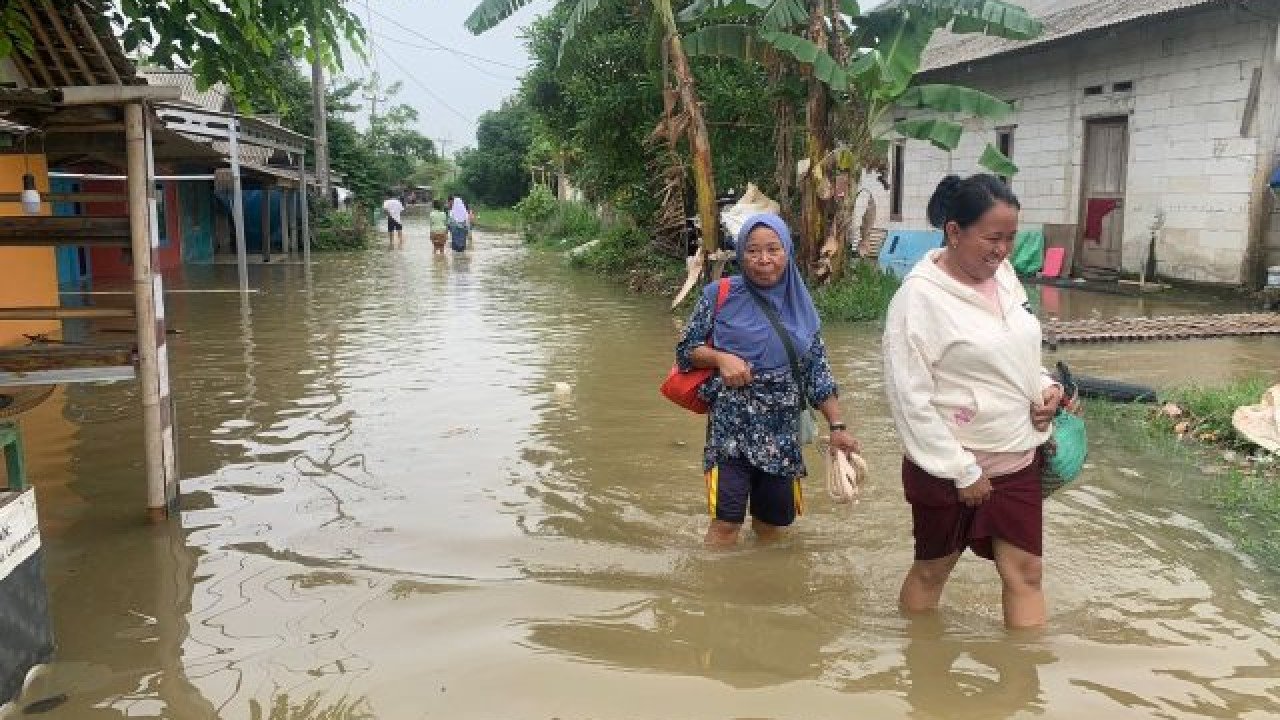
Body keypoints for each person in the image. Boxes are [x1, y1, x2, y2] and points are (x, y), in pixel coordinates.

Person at [882, 174, 1064, 629]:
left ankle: (1022, 690)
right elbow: (909, 399)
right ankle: (922, 671)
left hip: (1017, 457)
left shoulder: (1004, 277)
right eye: (991, 237)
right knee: (933, 570)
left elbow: (1017, 352)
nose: (1002, 250)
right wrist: (962, 470)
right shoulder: (917, 300)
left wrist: (1046, 388)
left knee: (1027, 573)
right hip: (950, 469)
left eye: (1010, 237)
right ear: (954, 231)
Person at [675, 212, 861, 548]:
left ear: (787, 251)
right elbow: (686, 350)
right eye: (753, 250)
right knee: (724, 527)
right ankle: (714, 597)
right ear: (741, 253)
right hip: (729, 434)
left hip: (782, 438)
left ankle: (767, 597)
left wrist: (838, 427)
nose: (763, 260)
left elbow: (817, 372)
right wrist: (720, 358)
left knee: (772, 531)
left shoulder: (801, 306)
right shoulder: (719, 294)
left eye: (773, 249)